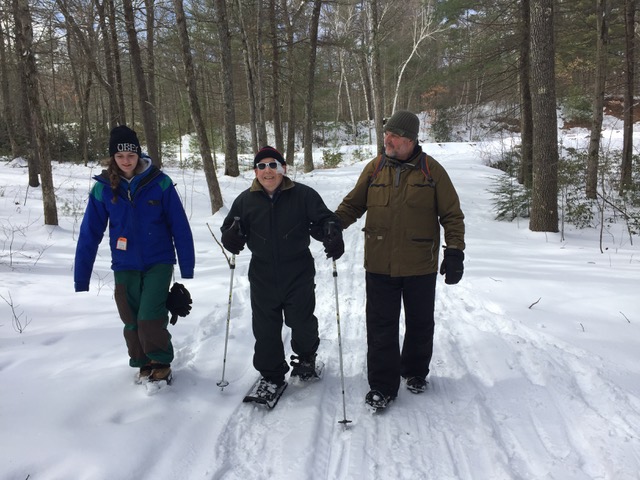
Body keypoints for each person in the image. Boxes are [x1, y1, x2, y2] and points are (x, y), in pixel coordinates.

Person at [335, 110, 465, 410]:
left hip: (420, 264)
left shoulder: (432, 171)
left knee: (420, 323)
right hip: (380, 264)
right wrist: (333, 225)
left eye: (393, 136)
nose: (387, 139)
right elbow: (353, 205)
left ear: (410, 139)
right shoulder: (375, 168)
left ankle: (415, 371)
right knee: (381, 326)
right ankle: (382, 385)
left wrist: (455, 250)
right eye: (386, 134)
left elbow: (451, 215)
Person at [221, 145, 344, 403]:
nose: (268, 171)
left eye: (273, 165)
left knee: (301, 320)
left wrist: (331, 231)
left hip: (297, 269)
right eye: (262, 166)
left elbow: (325, 220)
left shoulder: (303, 195)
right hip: (262, 272)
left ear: (283, 169)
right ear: (255, 171)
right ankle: (271, 374)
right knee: (265, 326)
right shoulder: (245, 200)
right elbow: (230, 227)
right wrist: (231, 236)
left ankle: (306, 358)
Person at [74, 125, 195, 385]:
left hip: (158, 261)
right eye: (120, 156)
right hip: (124, 264)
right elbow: (89, 234)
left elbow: (180, 226)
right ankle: (142, 361)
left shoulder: (159, 182)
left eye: (131, 155)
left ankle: (160, 360)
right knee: (130, 319)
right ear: (112, 158)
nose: (126, 160)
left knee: (150, 316)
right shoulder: (103, 188)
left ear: (138, 154)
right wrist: (81, 277)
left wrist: (187, 265)